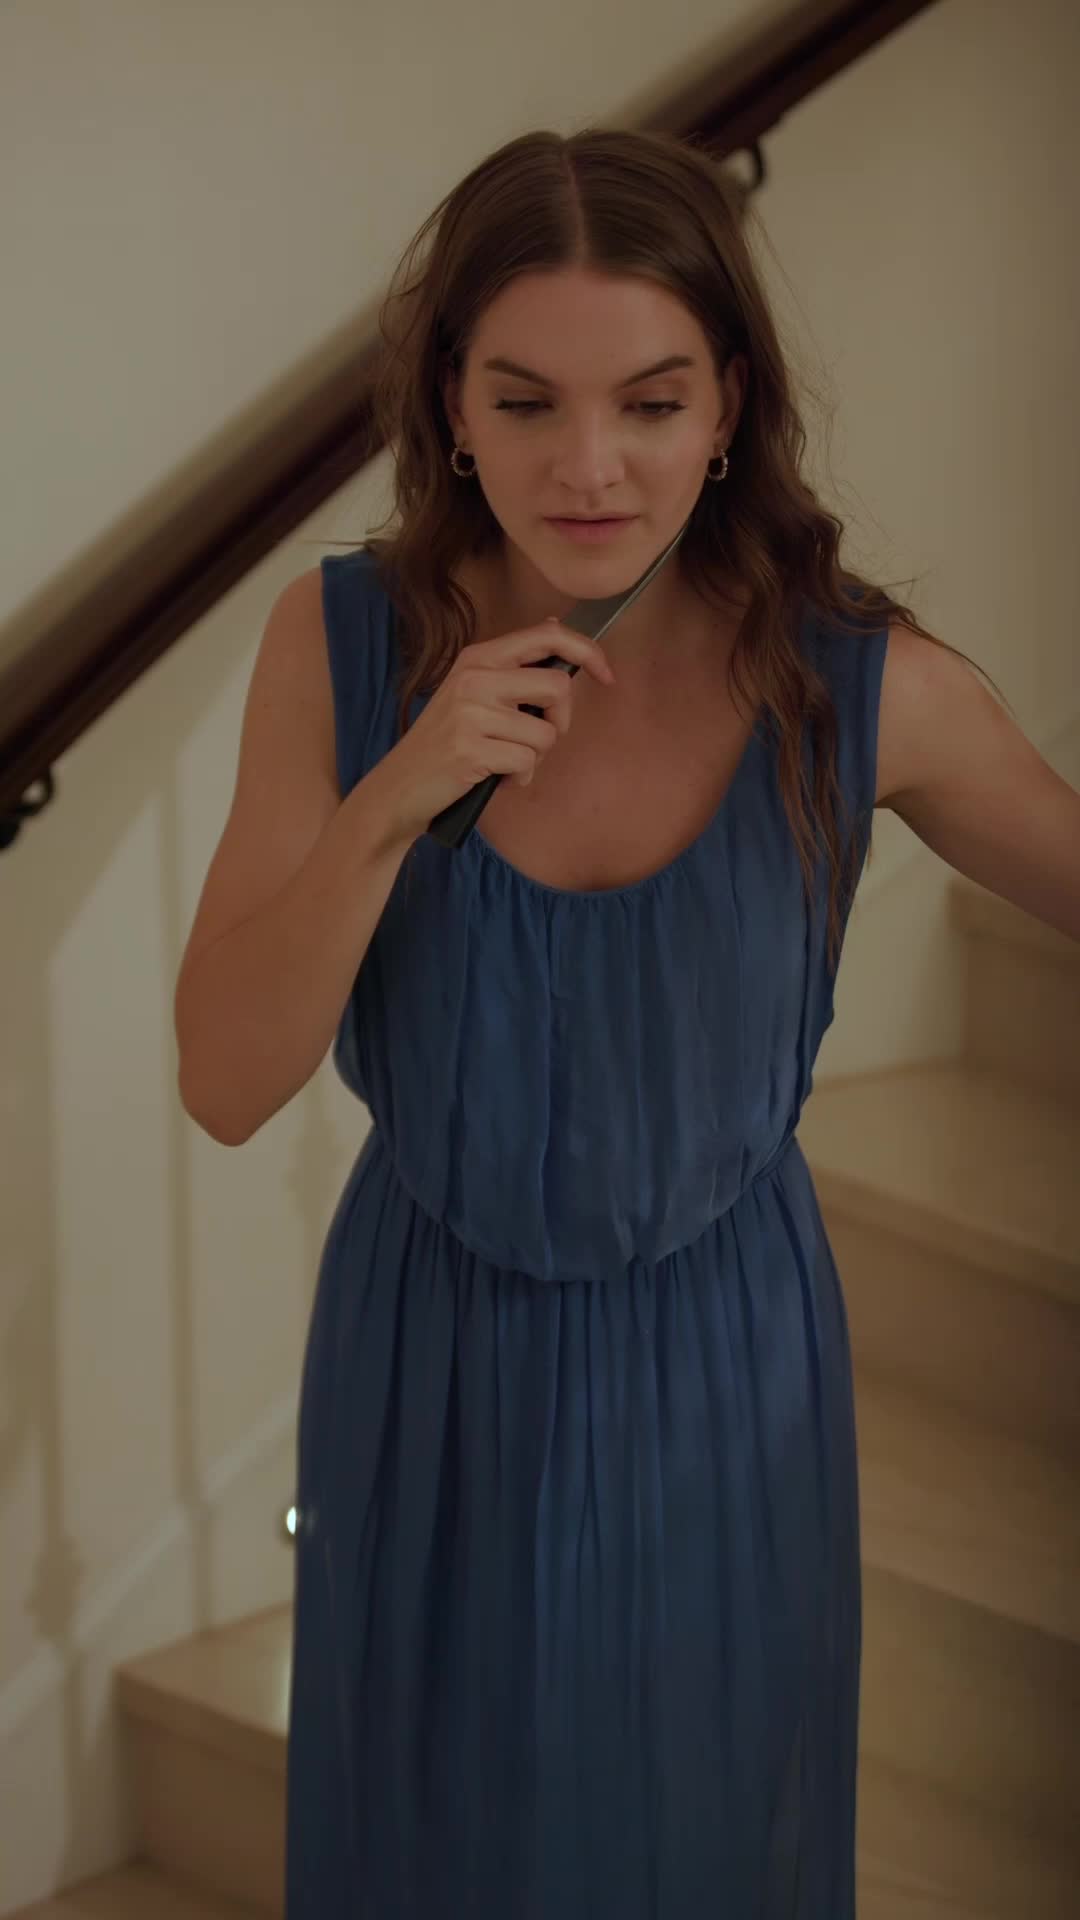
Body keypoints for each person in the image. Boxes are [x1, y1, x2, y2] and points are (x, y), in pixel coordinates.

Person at [174, 126, 1080, 1918]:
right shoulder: (336, 644)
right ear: (453, 408)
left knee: (696, 1850)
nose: (588, 466)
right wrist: (400, 790)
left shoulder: (853, 685)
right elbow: (224, 1081)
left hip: (723, 1371)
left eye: (651, 404)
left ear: (728, 406)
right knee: (431, 1847)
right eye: (526, 403)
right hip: (424, 1358)